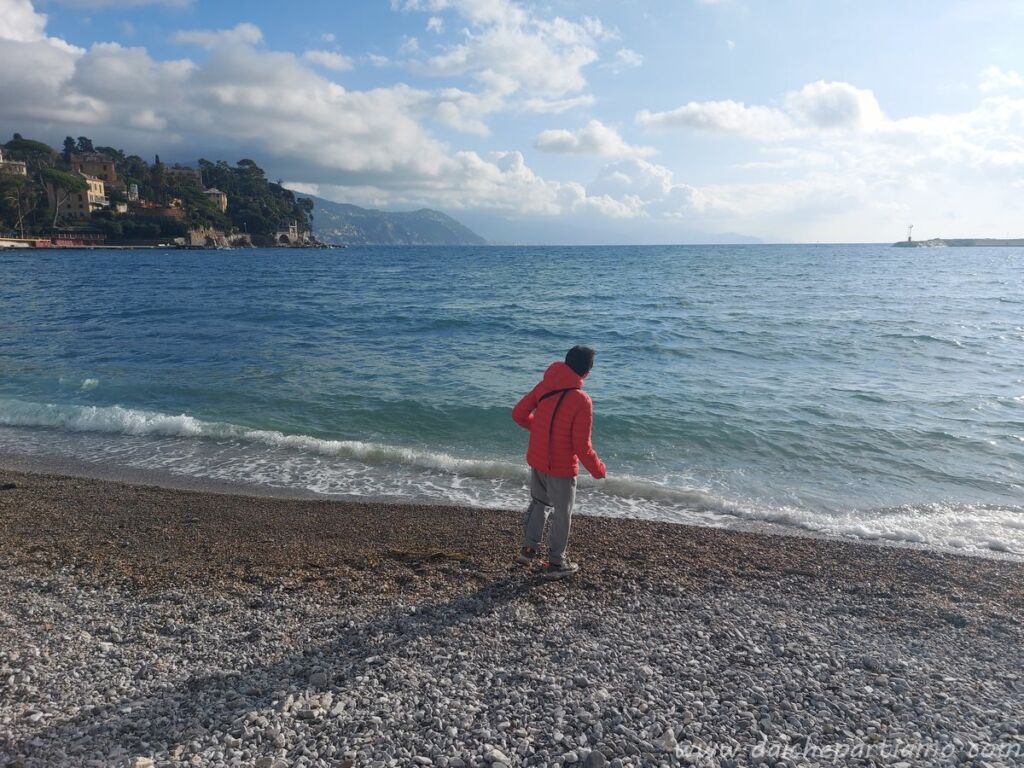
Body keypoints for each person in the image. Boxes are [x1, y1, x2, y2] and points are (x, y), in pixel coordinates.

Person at [512, 345, 606, 577]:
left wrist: (540, 429)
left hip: (538, 459)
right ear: (586, 373)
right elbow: (581, 446)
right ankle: (556, 562)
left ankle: (528, 549)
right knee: (563, 514)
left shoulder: (546, 385)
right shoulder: (582, 400)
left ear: (566, 363)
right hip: (562, 468)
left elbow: (519, 414)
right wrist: (598, 469)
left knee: (538, 503)